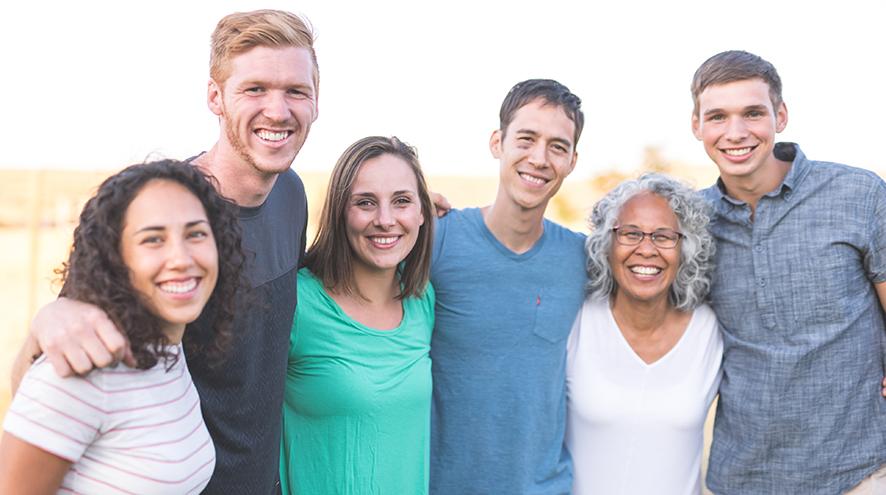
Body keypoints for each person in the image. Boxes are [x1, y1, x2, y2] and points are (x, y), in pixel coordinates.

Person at [11, 10, 317, 493]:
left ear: (316, 102)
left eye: (295, 91)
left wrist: (424, 220)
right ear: (215, 97)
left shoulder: (291, 196)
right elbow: (46, 378)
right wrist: (48, 319)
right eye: (255, 89)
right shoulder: (157, 214)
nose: (278, 111)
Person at [691, 50, 886, 494]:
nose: (735, 133)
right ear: (697, 125)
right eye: (717, 116)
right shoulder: (693, 220)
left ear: (780, 114)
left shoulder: (857, 193)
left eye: (753, 113)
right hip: (742, 478)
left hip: (861, 472)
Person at [0, 160, 244, 493]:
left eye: (196, 233)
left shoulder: (168, 348)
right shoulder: (82, 369)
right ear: (116, 259)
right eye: (153, 239)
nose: (182, 258)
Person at [430, 79, 587, 494]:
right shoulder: (437, 240)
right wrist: (407, 205)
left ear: (572, 160)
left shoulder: (583, 259)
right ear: (497, 142)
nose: (539, 158)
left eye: (557, 146)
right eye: (526, 139)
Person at [280, 136, 436, 494]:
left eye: (402, 201)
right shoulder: (298, 302)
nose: (385, 220)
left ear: (422, 211)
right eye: (365, 203)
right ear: (339, 211)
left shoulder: (422, 299)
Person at [565, 173, 720, 495]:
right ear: (607, 244)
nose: (646, 249)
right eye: (631, 234)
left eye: (663, 236)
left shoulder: (710, 331)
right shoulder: (575, 321)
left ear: (685, 249)